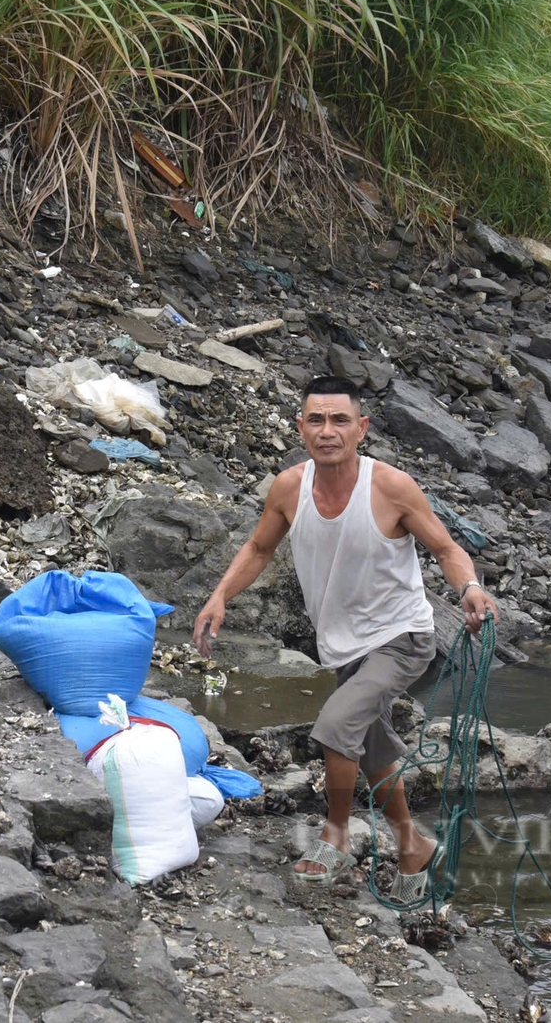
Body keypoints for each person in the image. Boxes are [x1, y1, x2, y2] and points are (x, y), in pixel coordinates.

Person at [191, 376, 497, 896]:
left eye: (339, 420)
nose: (327, 431)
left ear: (361, 428)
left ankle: (335, 836)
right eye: (316, 420)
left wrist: (468, 586)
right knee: (373, 752)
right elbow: (260, 548)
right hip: (342, 644)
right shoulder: (289, 487)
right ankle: (413, 846)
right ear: (300, 428)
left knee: (335, 723)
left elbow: (446, 549)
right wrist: (220, 596)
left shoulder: (391, 487)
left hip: (401, 636)